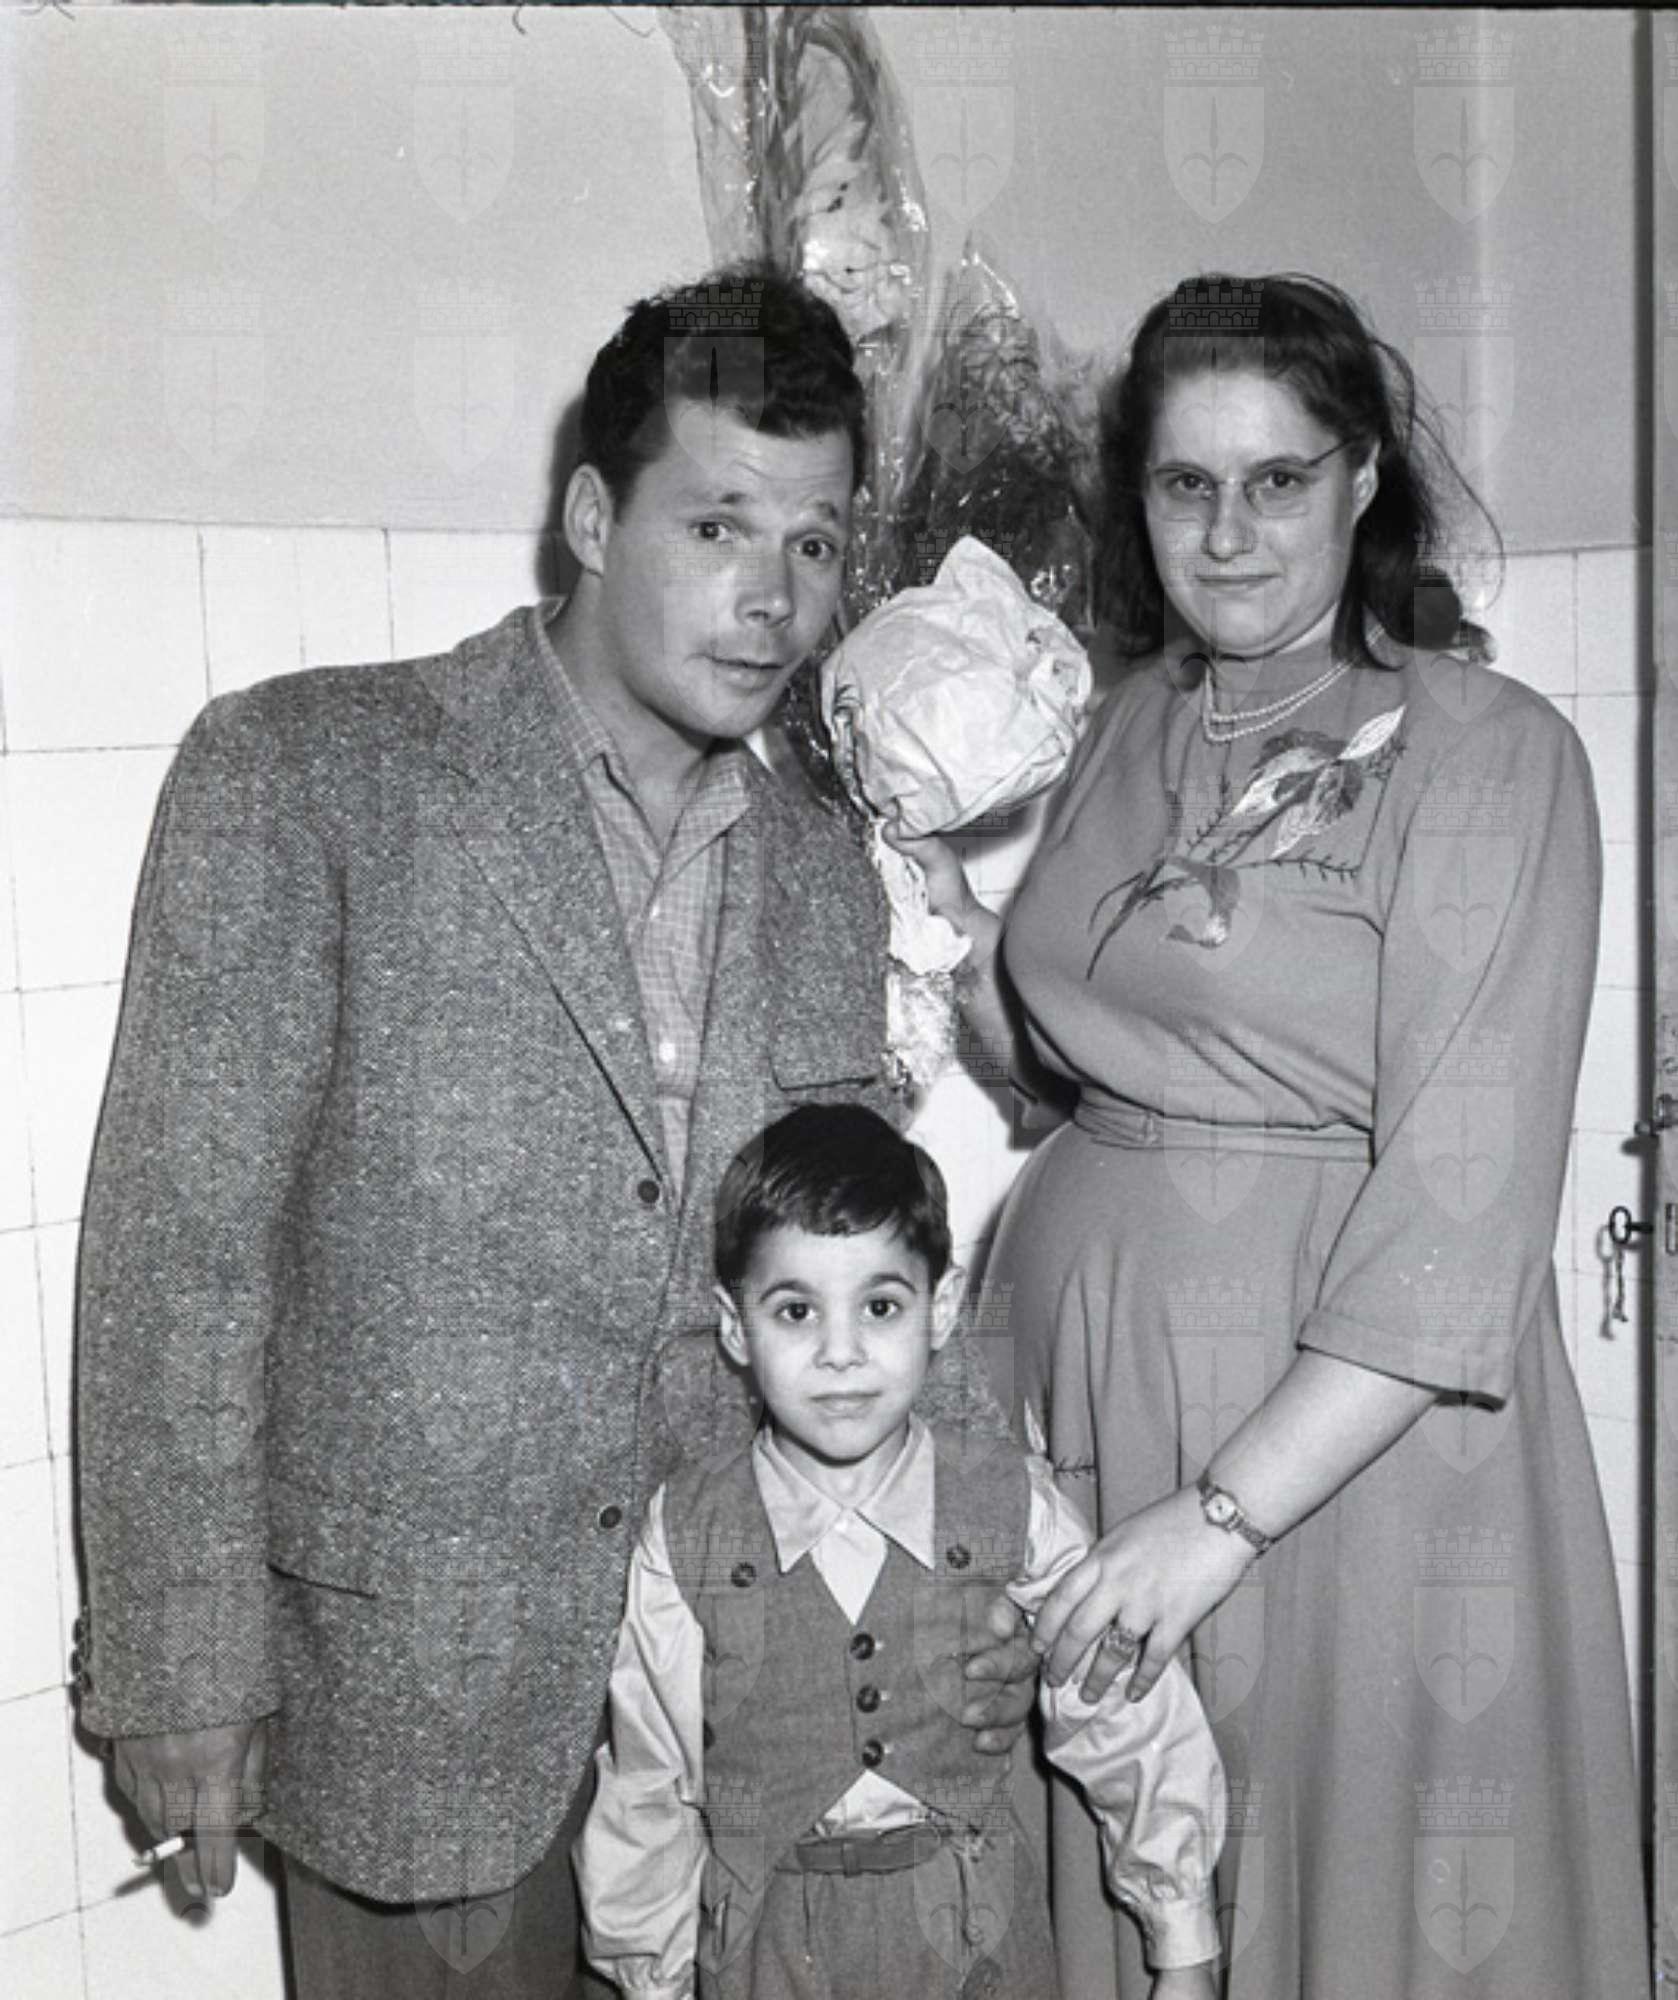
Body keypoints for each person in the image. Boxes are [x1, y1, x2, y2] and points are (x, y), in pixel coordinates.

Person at [73, 265, 1034, 2000]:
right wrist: (176, 1669)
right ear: (592, 518)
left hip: (751, 1707)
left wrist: (973, 1568)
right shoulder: (310, 773)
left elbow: (858, 1255)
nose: (772, 599)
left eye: (814, 545)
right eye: (719, 526)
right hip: (415, 1704)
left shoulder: (829, 866)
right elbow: (179, 1260)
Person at [909, 274, 1651, 1997]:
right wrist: (943, 916)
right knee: (1140, 1877)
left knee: (1338, 1886)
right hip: (1090, 1381)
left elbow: (1461, 1215)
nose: (1227, 532)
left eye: (1276, 480)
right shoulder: (1123, 724)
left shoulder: (1487, 754)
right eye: (1186, 484)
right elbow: (1074, 1068)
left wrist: (1218, 1518)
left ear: (1361, 477)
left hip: (1346, 1443)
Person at [577, 1103, 1225, 2000]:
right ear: (734, 1326)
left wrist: (1183, 1938)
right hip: (767, 1955)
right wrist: (652, 1982)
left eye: (879, 1307)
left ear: (940, 1308)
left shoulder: (1010, 1500)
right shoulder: (685, 1529)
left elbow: (1123, 1714)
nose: (840, 1353)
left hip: (977, 1942)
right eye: (796, 1311)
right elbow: (650, 1783)